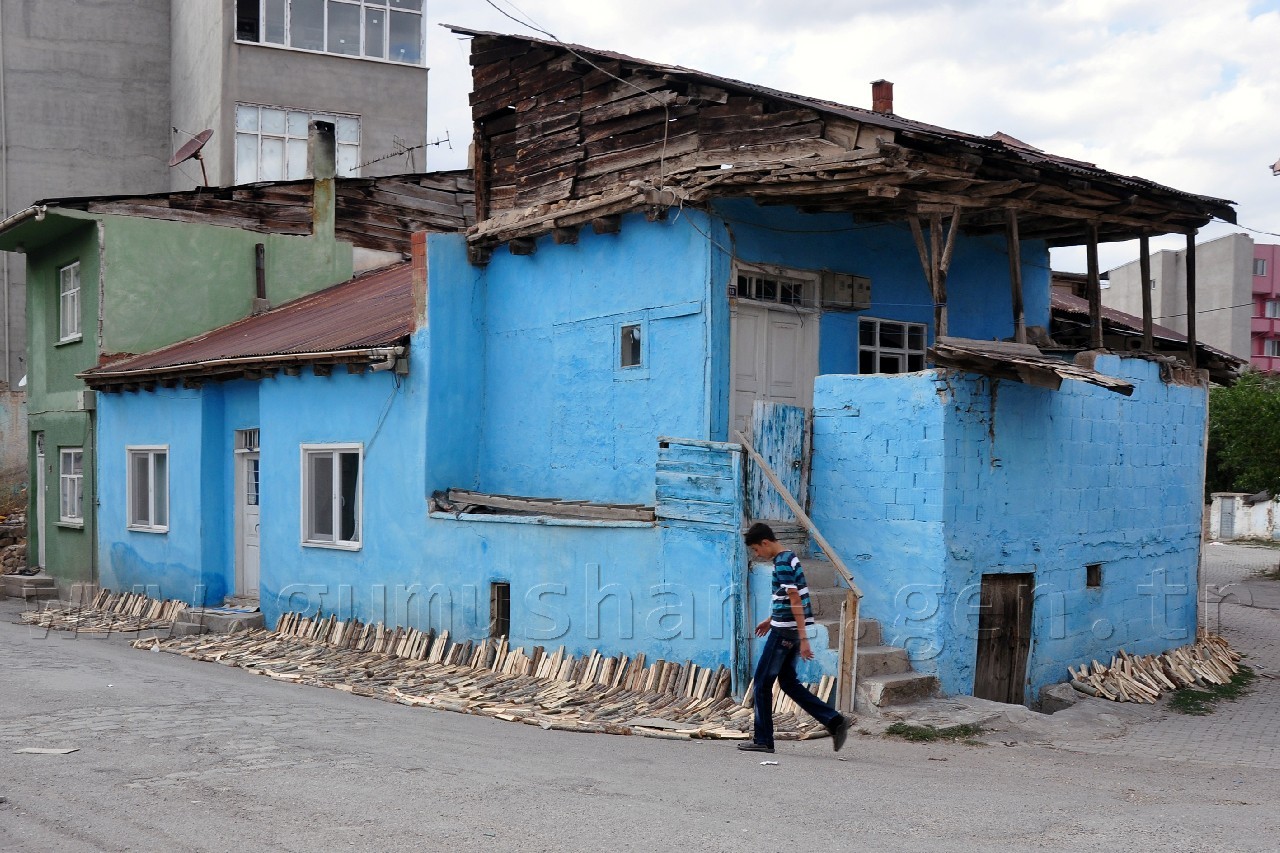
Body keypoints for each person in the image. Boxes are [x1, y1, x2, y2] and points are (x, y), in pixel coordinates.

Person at [737, 522, 850, 754]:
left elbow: (795, 599)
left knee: (761, 683)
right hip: (785, 628)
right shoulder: (790, 558)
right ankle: (834, 721)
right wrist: (770, 619)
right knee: (788, 683)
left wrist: (804, 639)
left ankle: (763, 740)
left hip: (784, 633)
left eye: (757, 550)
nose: (757, 555)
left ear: (765, 542)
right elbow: (786, 598)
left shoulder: (781, 564)